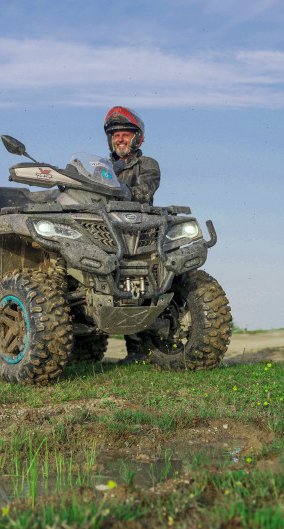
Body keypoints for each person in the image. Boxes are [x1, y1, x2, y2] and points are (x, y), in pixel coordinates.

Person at [103, 106, 161, 364]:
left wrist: (118, 190)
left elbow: (145, 190)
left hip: (139, 233)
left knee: (137, 287)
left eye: (125, 134)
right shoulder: (101, 168)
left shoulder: (147, 164)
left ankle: (138, 352)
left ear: (137, 138)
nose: (120, 139)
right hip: (106, 231)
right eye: (116, 136)